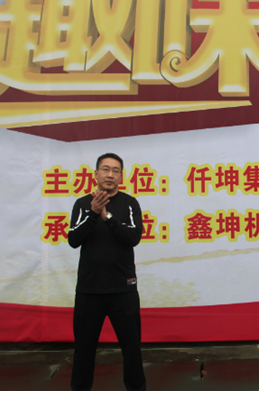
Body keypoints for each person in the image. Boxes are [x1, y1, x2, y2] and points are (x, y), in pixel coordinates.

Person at [68, 153, 146, 391]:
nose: (110, 174)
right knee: (83, 350)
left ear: (121, 176)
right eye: (105, 169)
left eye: (115, 170)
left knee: (131, 349)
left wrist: (107, 216)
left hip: (123, 289)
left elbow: (133, 237)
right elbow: (73, 240)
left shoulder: (130, 203)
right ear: (96, 174)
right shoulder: (83, 204)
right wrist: (93, 213)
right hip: (89, 290)